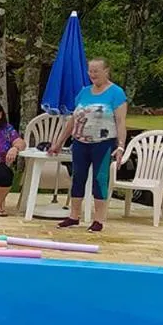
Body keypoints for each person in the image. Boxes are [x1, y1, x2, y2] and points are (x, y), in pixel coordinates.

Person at [50, 58, 128, 232]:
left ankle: (99, 219)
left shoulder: (116, 93)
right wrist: (59, 141)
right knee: (78, 177)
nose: (93, 75)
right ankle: (73, 216)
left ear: (106, 71)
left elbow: (121, 121)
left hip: (103, 143)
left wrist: (121, 146)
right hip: (80, 142)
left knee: (100, 179)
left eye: (96, 71)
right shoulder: (84, 92)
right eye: (90, 71)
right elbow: (72, 120)